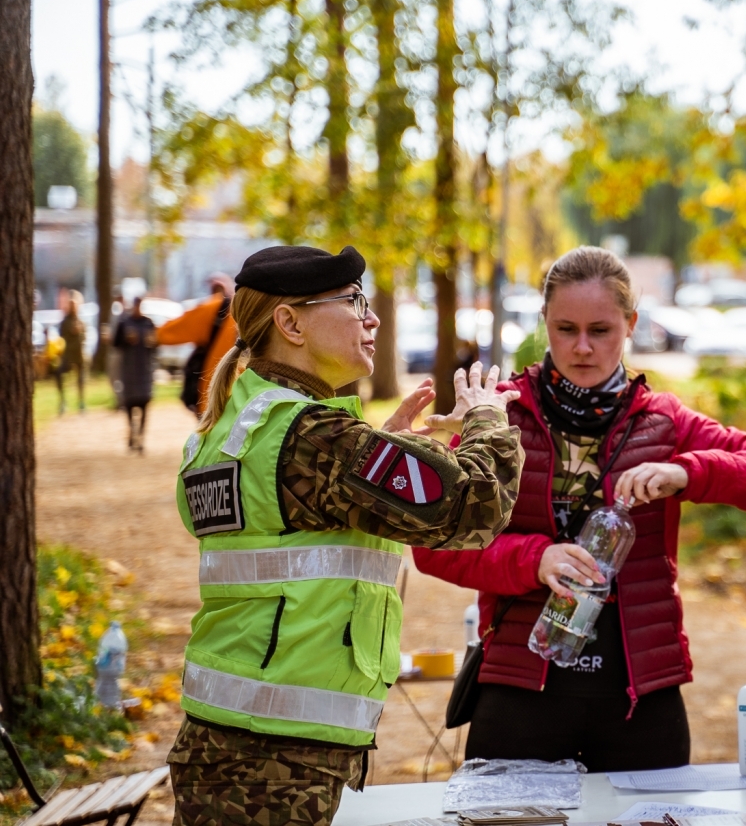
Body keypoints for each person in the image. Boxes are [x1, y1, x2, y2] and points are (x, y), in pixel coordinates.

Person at [167, 244, 524, 826]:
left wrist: (377, 452)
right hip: (275, 766)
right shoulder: (312, 436)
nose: (372, 316)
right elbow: (475, 508)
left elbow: (293, 526)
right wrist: (488, 417)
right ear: (289, 323)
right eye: (353, 300)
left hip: (234, 747)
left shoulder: (236, 428)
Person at [413, 246, 746, 772]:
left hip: (639, 698)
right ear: (544, 324)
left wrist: (689, 471)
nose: (581, 348)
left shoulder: (663, 423)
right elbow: (432, 545)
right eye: (564, 328)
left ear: (631, 324)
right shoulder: (499, 417)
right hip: (518, 693)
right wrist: (535, 560)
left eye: (600, 330)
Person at [157, 272, 237, 415]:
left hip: (213, 393)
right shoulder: (244, 311)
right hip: (242, 394)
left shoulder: (212, 308)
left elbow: (172, 330)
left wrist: (152, 334)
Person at [112, 297, 157, 453]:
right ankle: (132, 432)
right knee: (130, 404)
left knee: (144, 403)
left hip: (144, 369)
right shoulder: (124, 323)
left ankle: (141, 437)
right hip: (130, 370)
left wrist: (151, 341)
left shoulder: (148, 323)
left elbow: (156, 344)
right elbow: (115, 343)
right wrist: (126, 338)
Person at [55, 290, 87, 415]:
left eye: (75, 305)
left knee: (81, 379)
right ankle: (63, 401)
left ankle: (81, 402)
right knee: (58, 373)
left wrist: (79, 332)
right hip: (68, 355)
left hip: (79, 356)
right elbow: (61, 336)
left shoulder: (81, 322)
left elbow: (84, 337)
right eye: (71, 305)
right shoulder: (65, 322)